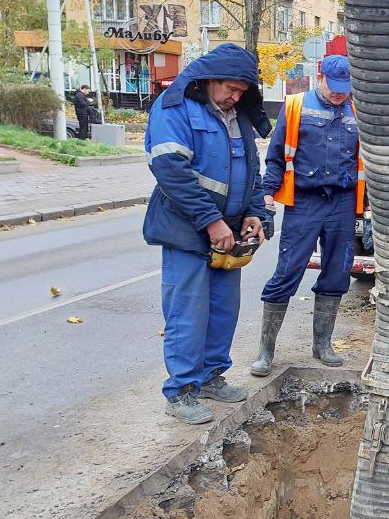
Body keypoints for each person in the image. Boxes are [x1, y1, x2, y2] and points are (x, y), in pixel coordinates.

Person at [143, 44, 268, 424]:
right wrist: (211, 221)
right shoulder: (175, 108)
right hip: (186, 230)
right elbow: (171, 172)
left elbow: (252, 172)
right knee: (187, 312)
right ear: (210, 80)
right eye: (231, 89)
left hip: (227, 233)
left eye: (242, 93)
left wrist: (255, 212)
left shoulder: (236, 116)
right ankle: (181, 392)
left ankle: (212, 376)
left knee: (222, 312)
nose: (235, 98)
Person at [251, 54, 363, 376]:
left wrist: (369, 209)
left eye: (346, 88)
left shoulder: (357, 110)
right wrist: (267, 197)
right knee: (287, 272)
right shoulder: (296, 106)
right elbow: (276, 157)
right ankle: (265, 352)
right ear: (320, 77)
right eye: (335, 87)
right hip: (305, 202)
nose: (340, 94)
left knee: (338, 273)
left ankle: (322, 345)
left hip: (342, 202)